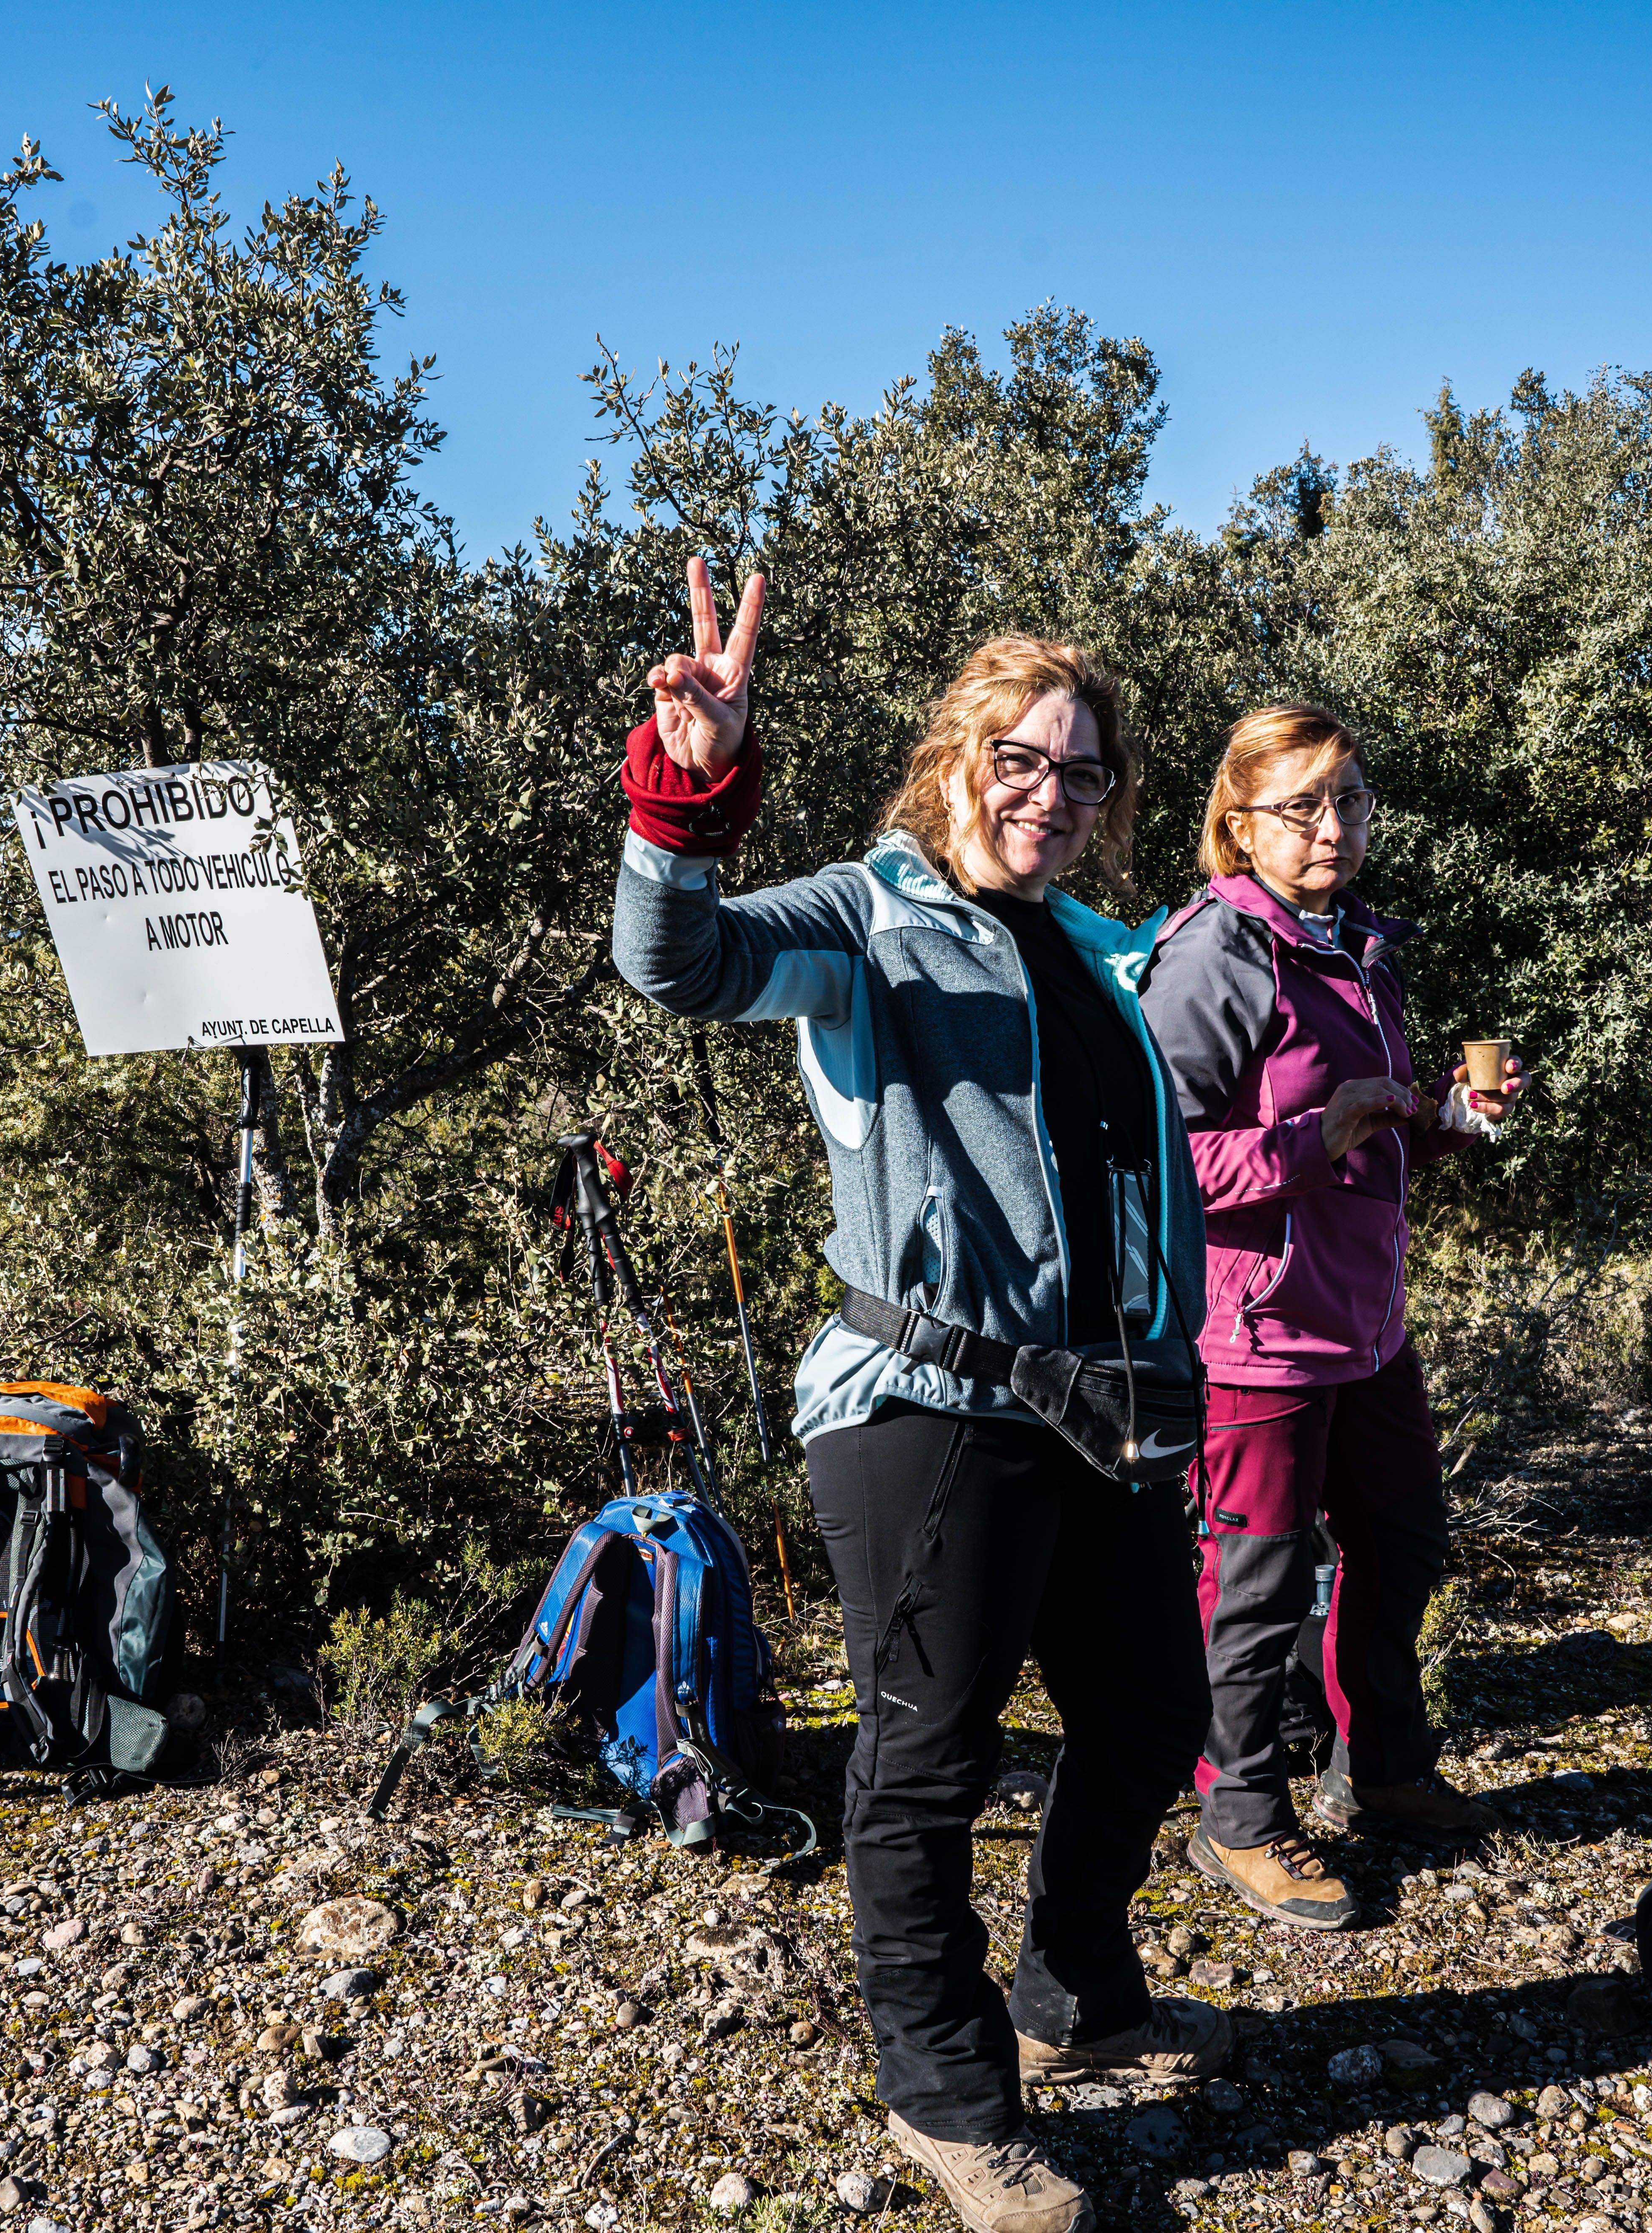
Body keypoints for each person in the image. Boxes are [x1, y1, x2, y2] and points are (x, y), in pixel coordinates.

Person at [614, 559, 1223, 2233]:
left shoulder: (1099, 953)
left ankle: (1073, 1989)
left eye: (1079, 769)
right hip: (927, 1406)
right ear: (957, 757)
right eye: (1017, 759)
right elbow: (679, 962)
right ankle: (950, 2100)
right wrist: (685, 791)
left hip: (1104, 1412)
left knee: (1155, 1716)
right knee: (926, 1754)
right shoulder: (863, 920)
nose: (1047, 793)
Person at [1138, 703, 1526, 1933]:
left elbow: (1374, 1122)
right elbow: (1157, 1160)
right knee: (1255, 1584)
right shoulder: (1216, 955)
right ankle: (1240, 1815)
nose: (1331, 827)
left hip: (1365, 1321)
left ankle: (1386, 1770)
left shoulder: (1358, 946)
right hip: (1255, 1333)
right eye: (1300, 805)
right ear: (1237, 821)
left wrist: (1443, 1125)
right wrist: (1321, 1136)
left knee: (1404, 1540)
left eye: (1349, 799)